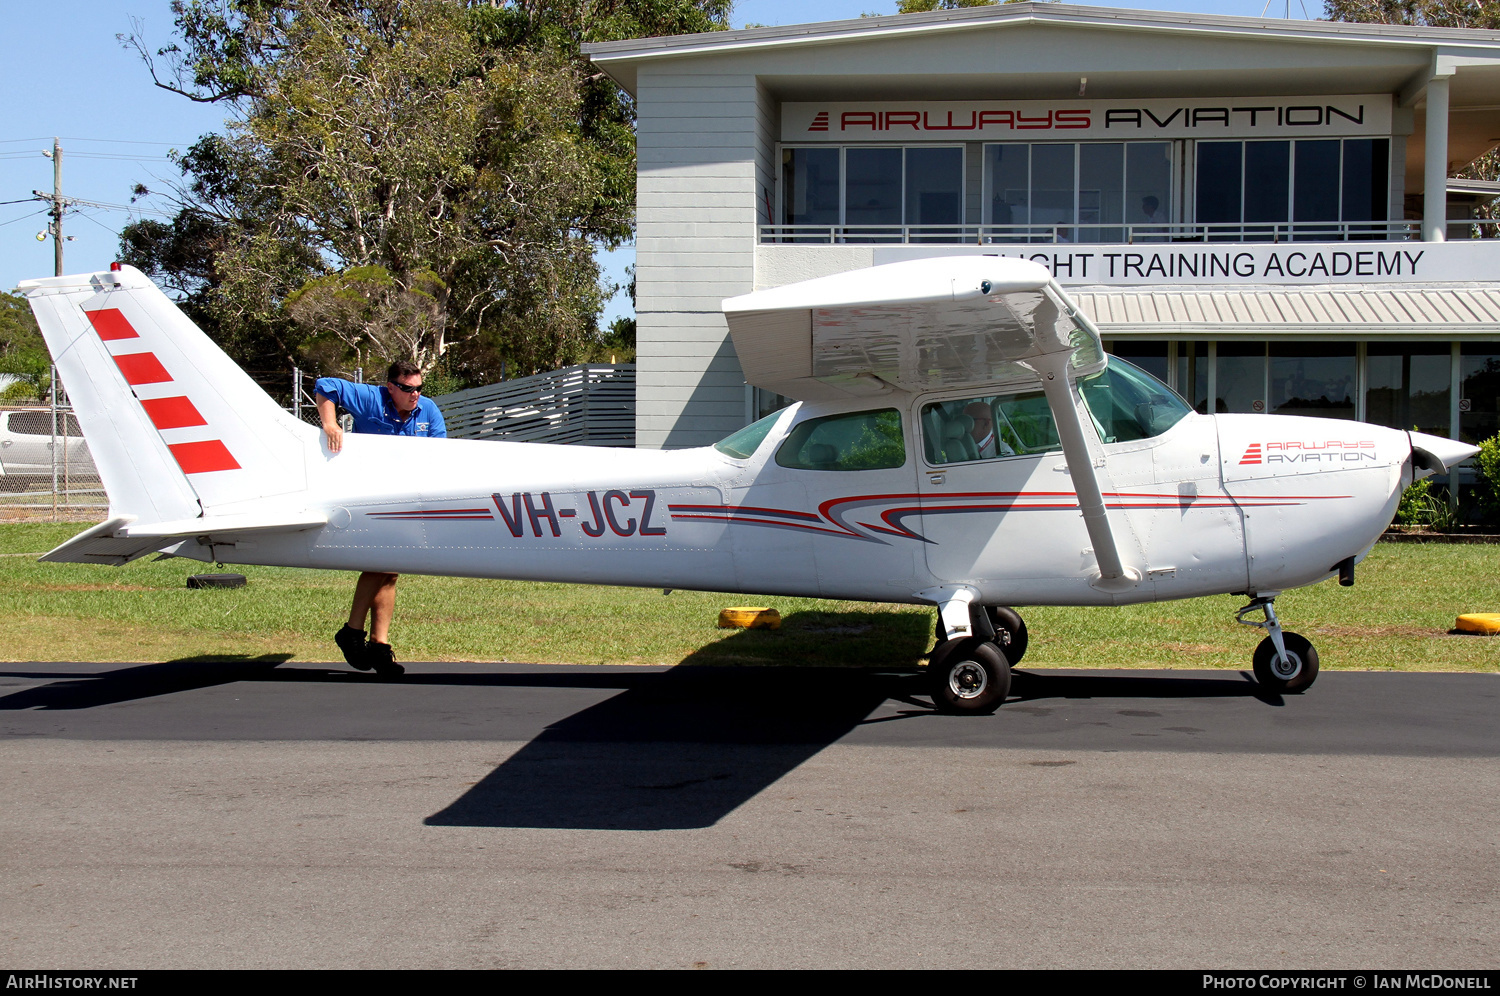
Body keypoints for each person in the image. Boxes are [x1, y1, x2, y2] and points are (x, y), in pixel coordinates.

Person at [315, 360, 447, 677]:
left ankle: (374, 642)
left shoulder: (428, 411)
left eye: (419, 388)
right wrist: (331, 425)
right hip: (369, 496)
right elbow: (325, 386)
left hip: (406, 498)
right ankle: (360, 635)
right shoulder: (371, 398)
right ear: (391, 387)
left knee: (389, 569)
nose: (415, 395)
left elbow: (441, 455)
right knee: (382, 564)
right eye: (407, 389)